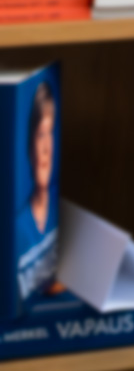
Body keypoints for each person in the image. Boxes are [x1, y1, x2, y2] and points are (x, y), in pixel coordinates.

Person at [16, 80, 58, 306]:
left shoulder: (60, 209)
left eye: (50, 133)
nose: (46, 149)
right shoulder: (16, 230)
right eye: (40, 134)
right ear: (29, 147)